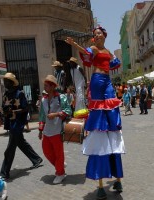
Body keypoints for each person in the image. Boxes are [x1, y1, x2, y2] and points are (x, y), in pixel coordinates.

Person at [65, 26, 125, 199]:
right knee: (99, 111)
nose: (97, 36)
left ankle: (117, 179)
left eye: (99, 34)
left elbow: (114, 63)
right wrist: (75, 44)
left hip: (107, 80)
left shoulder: (106, 50)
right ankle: (100, 123)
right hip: (98, 80)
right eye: (95, 34)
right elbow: (86, 52)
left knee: (112, 108)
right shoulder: (94, 49)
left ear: (104, 36)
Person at [0, 72, 43, 180]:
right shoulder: (6, 94)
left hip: (17, 124)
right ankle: (36, 159)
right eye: (4, 81)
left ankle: (4, 173)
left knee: (10, 149)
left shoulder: (20, 94)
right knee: (21, 143)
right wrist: (4, 111)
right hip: (10, 123)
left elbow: (26, 109)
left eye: (6, 81)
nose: (4, 83)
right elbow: (4, 107)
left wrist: (14, 111)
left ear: (11, 82)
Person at [38, 75, 72, 184]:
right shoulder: (43, 99)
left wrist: (56, 114)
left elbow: (68, 110)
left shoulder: (61, 97)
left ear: (53, 87)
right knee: (46, 151)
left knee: (58, 153)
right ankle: (60, 165)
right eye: (45, 85)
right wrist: (40, 130)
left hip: (57, 130)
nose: (45, 87)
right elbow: (42, 115)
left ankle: (60, 173)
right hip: (47, 131)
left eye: (47, 85)